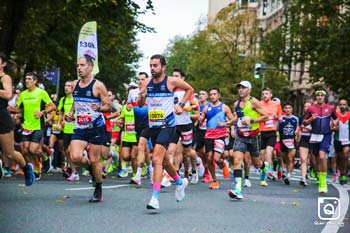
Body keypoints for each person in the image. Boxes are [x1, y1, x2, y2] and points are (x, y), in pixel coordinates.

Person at [138, 54, 192, 210]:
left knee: (156, 159)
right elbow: (141, 104)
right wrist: (142, 96)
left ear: (163, 67)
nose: (152, 68)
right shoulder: (147, 82)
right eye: (150, 65)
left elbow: (190, 89)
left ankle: (154, 198)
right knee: (165, 161)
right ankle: (180, 182)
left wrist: (181, 104)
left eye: (155, 65)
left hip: (167, 125)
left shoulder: (171, 81)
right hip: (153, 125)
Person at [67, 56, 111, 202]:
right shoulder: (74, 84)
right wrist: (72, 113)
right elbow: (76, 102)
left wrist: (99, 107)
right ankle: (93, 171)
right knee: (75, 157)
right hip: (80, 127)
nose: (79, 68)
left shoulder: (98, 86)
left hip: (96, 127)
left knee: (94, 159)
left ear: (90, 68)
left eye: (82, 65)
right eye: (77, 65)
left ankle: (98, 188)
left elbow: (108, 106)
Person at [227, 81, 268, 199]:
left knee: (256, 163)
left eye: (243, 88)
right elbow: (237, 118)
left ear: (249, 90)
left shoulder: (254, 102)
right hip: (241, 136)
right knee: (237, 160)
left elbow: (265, 116)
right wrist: (229, 123)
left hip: (254, 136)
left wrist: (252, 120)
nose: (240, 90)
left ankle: (263, 167)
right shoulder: (236, 104)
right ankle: (238, 189)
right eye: (239, 88)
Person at [0, 51, 35, 185]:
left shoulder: (5, 78)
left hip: (2, 118)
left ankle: (26, 168)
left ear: (3, 64)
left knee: (10, 154)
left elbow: (9, 94)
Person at [15, 72, 56, 180]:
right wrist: (12, 110)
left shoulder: (41, 93)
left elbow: (52, 106)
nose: (27, 81)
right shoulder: (23, 94)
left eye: (29, 79)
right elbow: (19, 109)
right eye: (26, 79)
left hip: (38, 126)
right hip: (26, 126)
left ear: (35, 81)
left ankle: (46, 158)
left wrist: (42, 112)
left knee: (33, 150)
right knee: (25, 151)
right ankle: (36, 169)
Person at [303, 88, 337, 194]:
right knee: (316, 160)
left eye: (322, 95)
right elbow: (304, 122)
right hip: (314, 135)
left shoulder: (330, 108)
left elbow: (336, 118)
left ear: (325, 97)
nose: (320, 97)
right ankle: (319, 175)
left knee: (322, 156)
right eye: (318, 95)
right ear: (316, 97)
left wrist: (334, 123)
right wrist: (310, 120)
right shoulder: (311, 109)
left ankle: (323, 182)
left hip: (326, 135)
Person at [198, 87, 233, 189]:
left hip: (220, 135)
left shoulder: (224, 107)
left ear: (219, 95)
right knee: (208, 158)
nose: (212, 96)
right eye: (211, 94)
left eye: (215, 94)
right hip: (208, 135)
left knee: (216, 158)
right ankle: (215, 180)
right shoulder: (206, 107)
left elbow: (233, 120)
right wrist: (200, 119)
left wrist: (227, 125)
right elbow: (201, 119)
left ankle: (223, 165)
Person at [259, 88, 282, 181]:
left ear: (271, 95)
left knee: (269, 153)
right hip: (261, 132)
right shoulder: (259, 104)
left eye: (267, 93)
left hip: (272, 131)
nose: (265, 95)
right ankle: (264, 169)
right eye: (263, 94)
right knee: (262, 155)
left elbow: (280, 118)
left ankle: (270, 171)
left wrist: (277, 117)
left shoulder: (276, 105)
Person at [278, 102, 299, 185]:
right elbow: (276, 129)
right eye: (286, 108)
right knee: (284, 157)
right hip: (282, 140)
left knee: (290, 158)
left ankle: (288, 175)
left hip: (292, 141)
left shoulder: (295, 119)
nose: (288, 109)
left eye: (289, 108)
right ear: (284, 109)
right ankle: (284, 169)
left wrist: (297, 132)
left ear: (292, 109)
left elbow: (298, 128)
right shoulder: (281, 118)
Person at [333, 99, 350, 185]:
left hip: (347, 139)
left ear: (347, 105)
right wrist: (334, 127)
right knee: (339, 157)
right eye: (341, 104)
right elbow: (332, 126)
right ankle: (340, 171)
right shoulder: (336, 115)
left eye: (344, 104)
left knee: (345, 155)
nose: (342, 106)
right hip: (337, 139)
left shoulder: (349, 115)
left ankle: (344, 174)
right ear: (339, 106)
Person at [298, 102, 312, 186]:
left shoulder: (315, 117)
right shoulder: (301, 118)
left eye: (308, 106)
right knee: (303, 159)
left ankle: (310, 169)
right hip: (303, 139)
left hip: (313, 139)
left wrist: (311, 128)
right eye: (305, 106)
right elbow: (299, 128)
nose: (306, 108)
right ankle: (303, 178)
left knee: (312, 160)